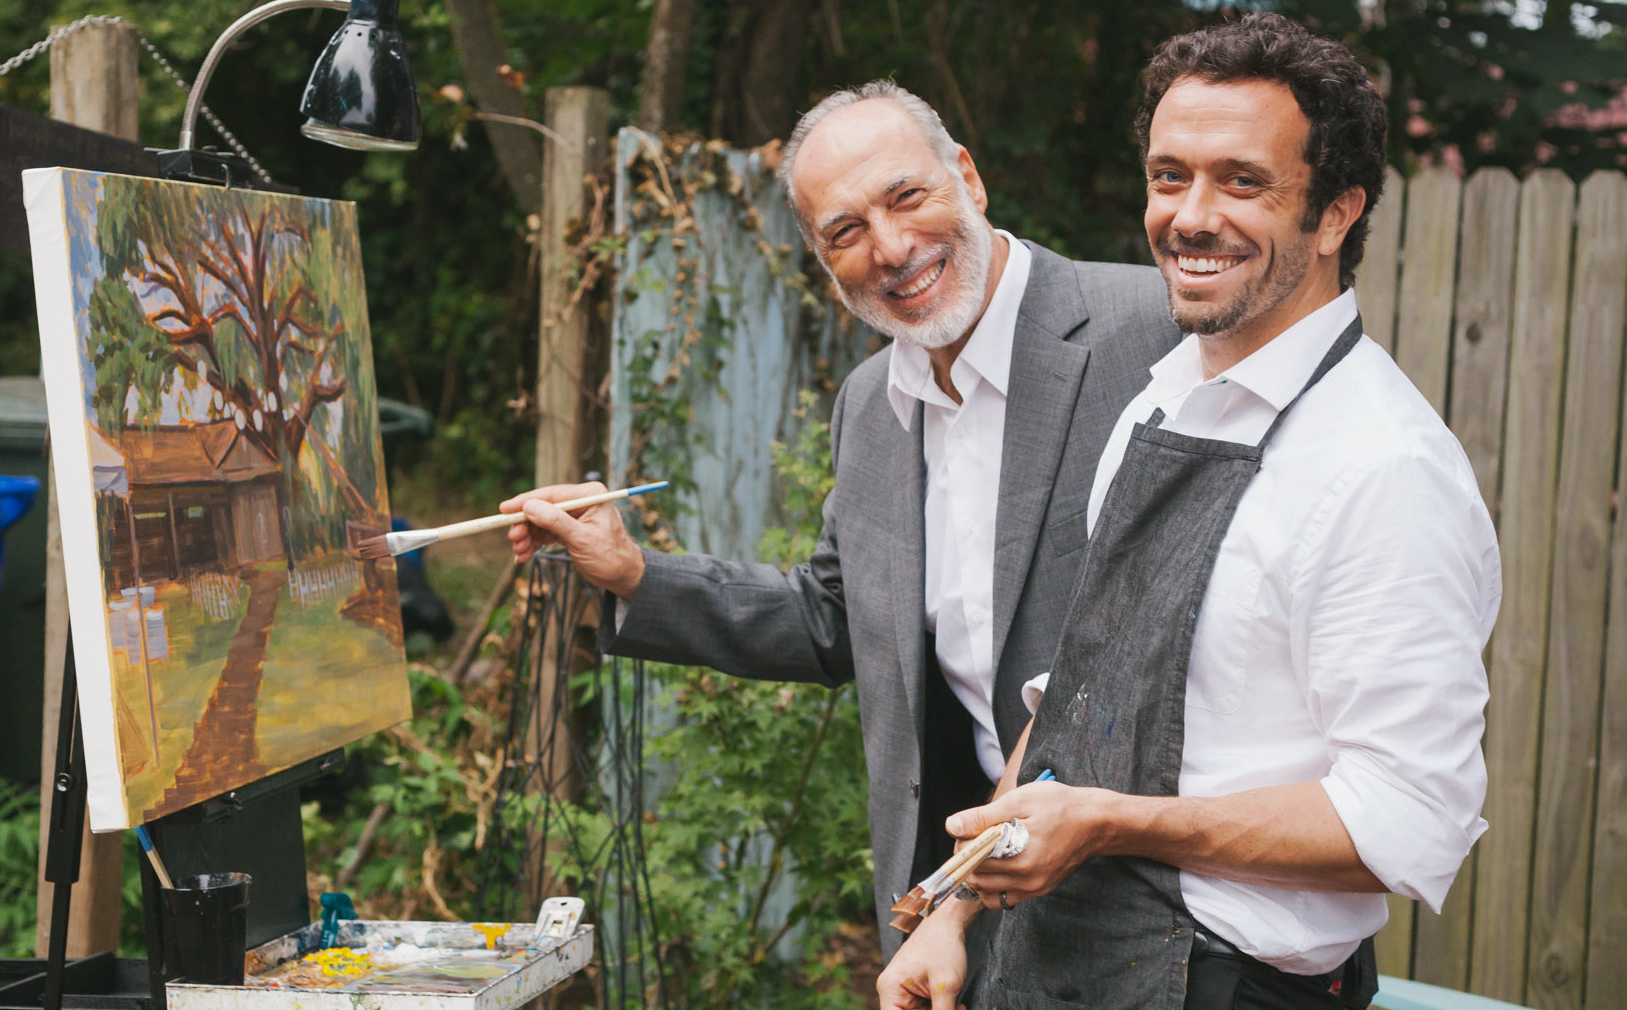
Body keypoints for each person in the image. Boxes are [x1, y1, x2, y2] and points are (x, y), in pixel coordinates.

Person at [876, 14, 1501, 1010]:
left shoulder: (1382, 467)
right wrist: (952, 916)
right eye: (1170, 176)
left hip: (1229, 984)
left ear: (1336, 212)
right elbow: (1077, 701)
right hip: (1058, 965)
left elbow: (1407, 818)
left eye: (1240, 181)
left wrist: (1114, 821)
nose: (1189, 215)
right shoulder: (1157, 399)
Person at [500, 81, 1179, 965]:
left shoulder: (1153, 332)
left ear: (967, 179)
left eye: (906, 197)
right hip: (970, 903)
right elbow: (835, 619)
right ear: (823, 261)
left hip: (1152, 904)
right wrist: (633, 573)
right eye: (844, 232)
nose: (890, 249)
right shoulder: (870, 404)